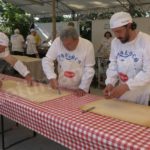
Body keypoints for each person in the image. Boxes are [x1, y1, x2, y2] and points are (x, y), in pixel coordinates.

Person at [103, 11, 150, 105]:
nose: (116, 36)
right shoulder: (115, 42)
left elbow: (148, 71)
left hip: (144, 94)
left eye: (119, 31)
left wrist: (127, 86)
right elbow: (113, 64)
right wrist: (110, 82)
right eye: (114, 32)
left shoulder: (146, 41)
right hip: (123, 92)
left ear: (129, 26)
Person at [42, 27, 95, 96]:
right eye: (64, 44)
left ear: (77, 39)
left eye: (69, 44)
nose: (66, 47)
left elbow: (89, 68)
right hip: (62, 85)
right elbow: (47, 60)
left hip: (79, 86)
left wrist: (83, 87)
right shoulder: (57, 42)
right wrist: (51, 77)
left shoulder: (87, 45)